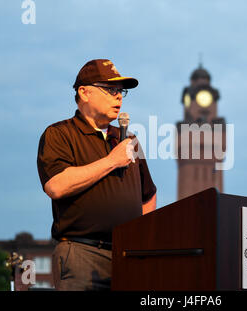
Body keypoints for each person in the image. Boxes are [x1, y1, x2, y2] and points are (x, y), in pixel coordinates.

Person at [37, 59, 157, 291]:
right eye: (111, 90)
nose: (119, 96)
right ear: (84, 92)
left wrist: (140, 239)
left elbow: (148, 195)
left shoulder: (129, 140)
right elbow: (56, 186)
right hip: (81, 253)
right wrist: (112, 161)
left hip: (127, 255)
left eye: (121, 91)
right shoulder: (60, 134)